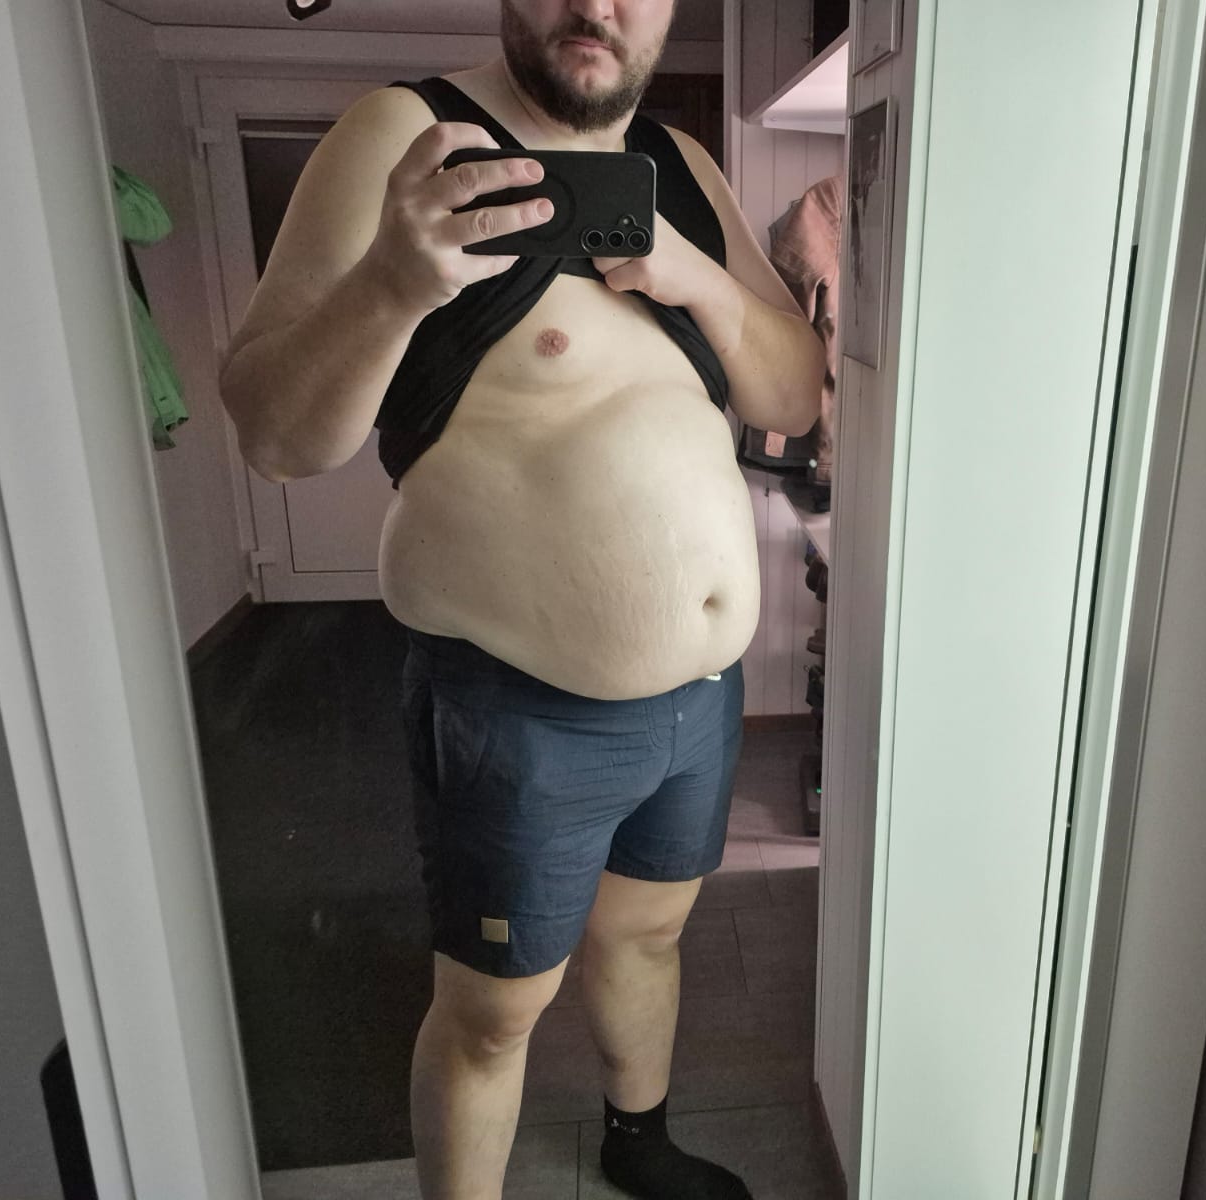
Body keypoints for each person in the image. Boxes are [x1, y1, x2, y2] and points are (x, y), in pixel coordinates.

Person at [217, 1, 823, 1196]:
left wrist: (693, 275)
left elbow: (794, 395)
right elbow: (276, 438)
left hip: (698, 700)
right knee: (494, 1014)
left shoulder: (681, 164)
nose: (598, 5)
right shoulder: (400, 132)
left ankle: (638, 1141)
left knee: (648, 936)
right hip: (519, 711)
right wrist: (391, 285)